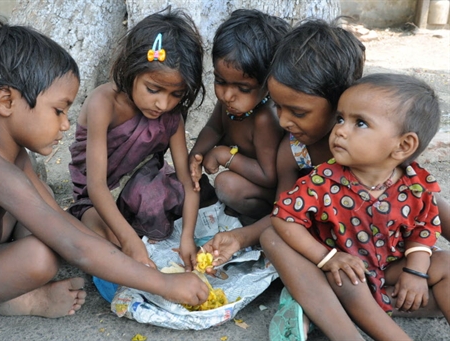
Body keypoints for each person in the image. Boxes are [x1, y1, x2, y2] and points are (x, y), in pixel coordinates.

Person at [0, 18, 208, 325]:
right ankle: (11, 298)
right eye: (58, 111)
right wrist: (165, 284)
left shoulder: (11, 154)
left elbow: (57, 216)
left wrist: (123, 249)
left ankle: (6, 290)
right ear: (6, 101)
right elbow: (73, 244)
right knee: (41, 256)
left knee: (43, 215)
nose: (66, 125)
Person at [267, 73, 449, 340]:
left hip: (391, 267)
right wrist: (327, 258)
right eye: (340, 118)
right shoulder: (324, 179)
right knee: (348, 281)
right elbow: (284, 218)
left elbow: (423, 228)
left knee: (445, 263)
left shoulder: (414, 182)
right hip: (349, 269)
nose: (340, 129)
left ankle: (329, 310)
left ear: (403, 146)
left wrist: (415, 272)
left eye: (360, 123)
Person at [202, 19, 365, 268]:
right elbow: (284, 211)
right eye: (278, 107)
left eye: (298, 113)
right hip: (320, 243)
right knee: (273, 240)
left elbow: (425, 199)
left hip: (366, 242)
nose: (285, 121)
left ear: (340, 102)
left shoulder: (366, 146)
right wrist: (239, 238)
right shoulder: (293, 149)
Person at [68, 8, 204, 271]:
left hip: (141, 187)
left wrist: (187, 238)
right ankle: (129, 232)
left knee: (179, 192)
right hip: (99, 196)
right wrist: (130, 242)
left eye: (176, 94)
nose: (163, 104)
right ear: (131, 70)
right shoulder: (103, 103)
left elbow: (188, 183)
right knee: (104, 239)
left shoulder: (171, 116)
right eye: (153, 89)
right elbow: (96, 187)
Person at [188, 9, 289, 221]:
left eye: (243, 88)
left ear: (267, 83)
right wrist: (195, 157)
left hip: (269, 191)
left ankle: (259, 220)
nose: (227, 95)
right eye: (220, 81)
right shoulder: (230, 102)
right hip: (247, 177)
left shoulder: (265, 119)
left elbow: (269, 176)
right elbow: (214, 129)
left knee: (226, 185)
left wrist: (224, 155)